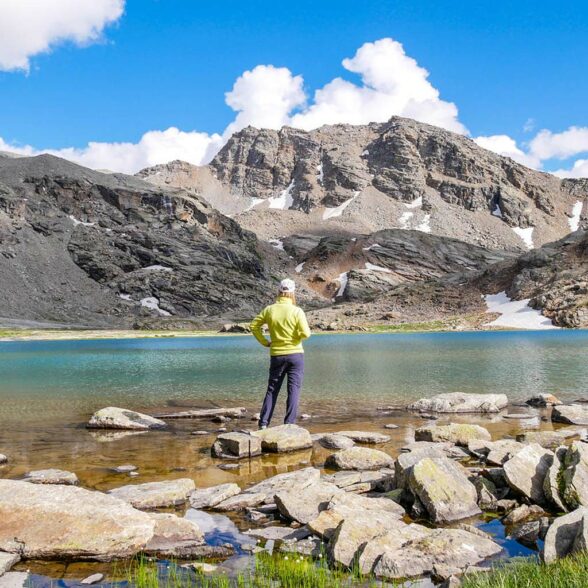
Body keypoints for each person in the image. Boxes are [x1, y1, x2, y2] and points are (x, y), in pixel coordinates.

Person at [250, 278, 311, 429]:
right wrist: (294, 337)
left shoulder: (269, 310)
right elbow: (306, 333)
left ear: (279, 291)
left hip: (276, 354)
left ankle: (264, 423)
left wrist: (265, 342)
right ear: (292, 293)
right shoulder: (297, 311)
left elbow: (253, 326)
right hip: (295, 355)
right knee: (293, 390)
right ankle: (289, 424)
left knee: (272, 389)